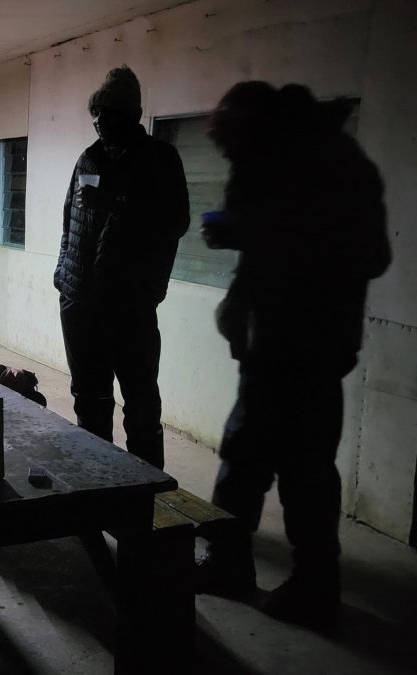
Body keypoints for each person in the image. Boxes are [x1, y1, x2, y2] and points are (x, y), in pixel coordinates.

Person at [195, 82, 391, 630]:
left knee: (301, 472)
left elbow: (367, 254)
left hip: (308, 350)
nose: (230, 159)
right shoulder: (280, 157)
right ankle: (235, 563)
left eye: (233, 146)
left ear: (258, 130)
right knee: (248, 460)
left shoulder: (329, 162)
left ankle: (313, 588)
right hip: (272, 348)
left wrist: (253, 231)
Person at [53, 65, 190, 470]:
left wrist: (116, 202)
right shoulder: (88, 158)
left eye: (107, 113)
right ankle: (99, 486)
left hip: (130, 303)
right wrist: (63, 277)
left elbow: (175, 222)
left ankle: (147, 493)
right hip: (79, 302)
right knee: (89, 399)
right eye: (95, 113)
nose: (98, 121)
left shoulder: (160, 159)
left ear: (131, 115)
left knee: (140, 403)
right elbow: (69, 221)